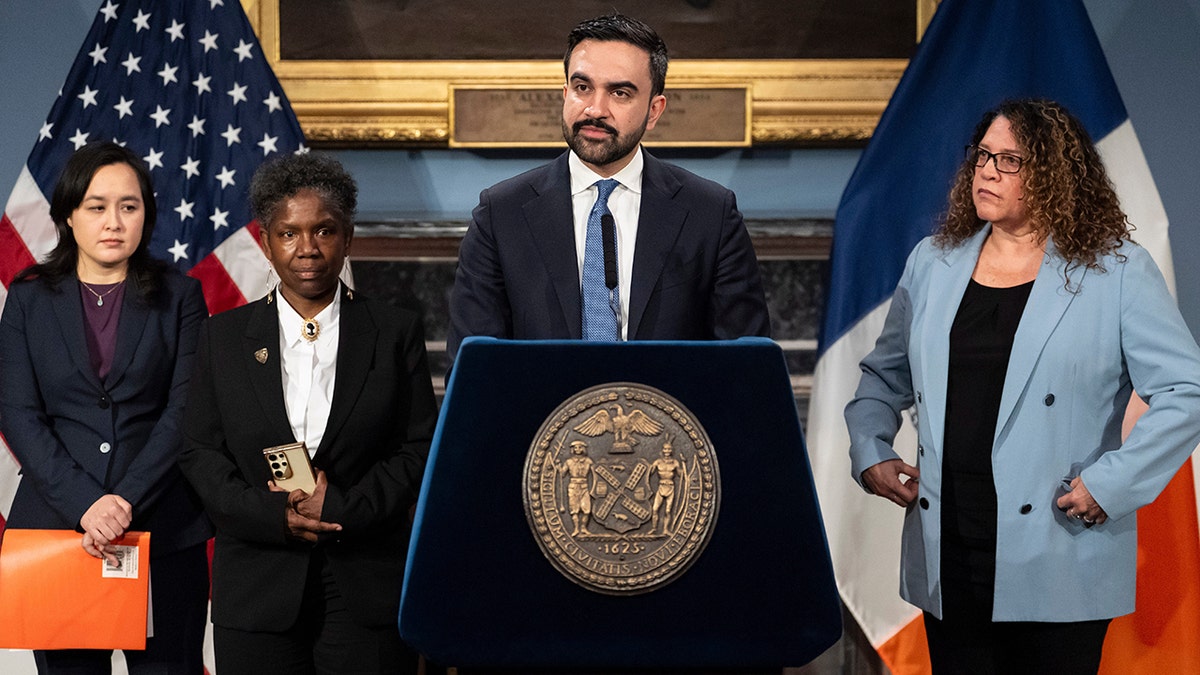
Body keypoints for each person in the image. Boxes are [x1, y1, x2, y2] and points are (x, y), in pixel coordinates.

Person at [845, 99, 1200, 673]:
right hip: (950, 552)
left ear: (1055, 174)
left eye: (1010, 160)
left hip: (1059, 549)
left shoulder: (1115, 270)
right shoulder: (932, 262)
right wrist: (870, 450)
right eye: (983, 155)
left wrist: (1112, 485)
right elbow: (884, 376)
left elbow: (1187, 391)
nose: (987, 171)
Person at [178, 153, 437, 674]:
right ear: (266, 243)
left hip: (365, 580)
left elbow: (417, 449)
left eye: (324, 230)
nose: (308, 249)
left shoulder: (394, 331)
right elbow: (199, 452)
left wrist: (341, 507)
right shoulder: (222, 338)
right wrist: (270, 514)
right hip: (256, 585)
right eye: (288, 233)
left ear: (347, 237)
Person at [447, 13, 770, 361]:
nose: (595, 109)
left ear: (654, 110)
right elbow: (473, 369)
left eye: (620, 93)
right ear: (565, 93)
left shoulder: (710, 214)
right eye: (582, 88)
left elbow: (745, 367)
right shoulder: (500, 214)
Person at [0, 142, 211, 673]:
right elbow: (18, 413)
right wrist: (86, 504)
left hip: (164, 529)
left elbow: (186, 410)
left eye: (128, 206)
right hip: (59, 530)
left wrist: (124, 501)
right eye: (96, 206)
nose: (113, 221)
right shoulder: (27, 300)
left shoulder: (181, 297)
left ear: (146, 215)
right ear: (68, 215)